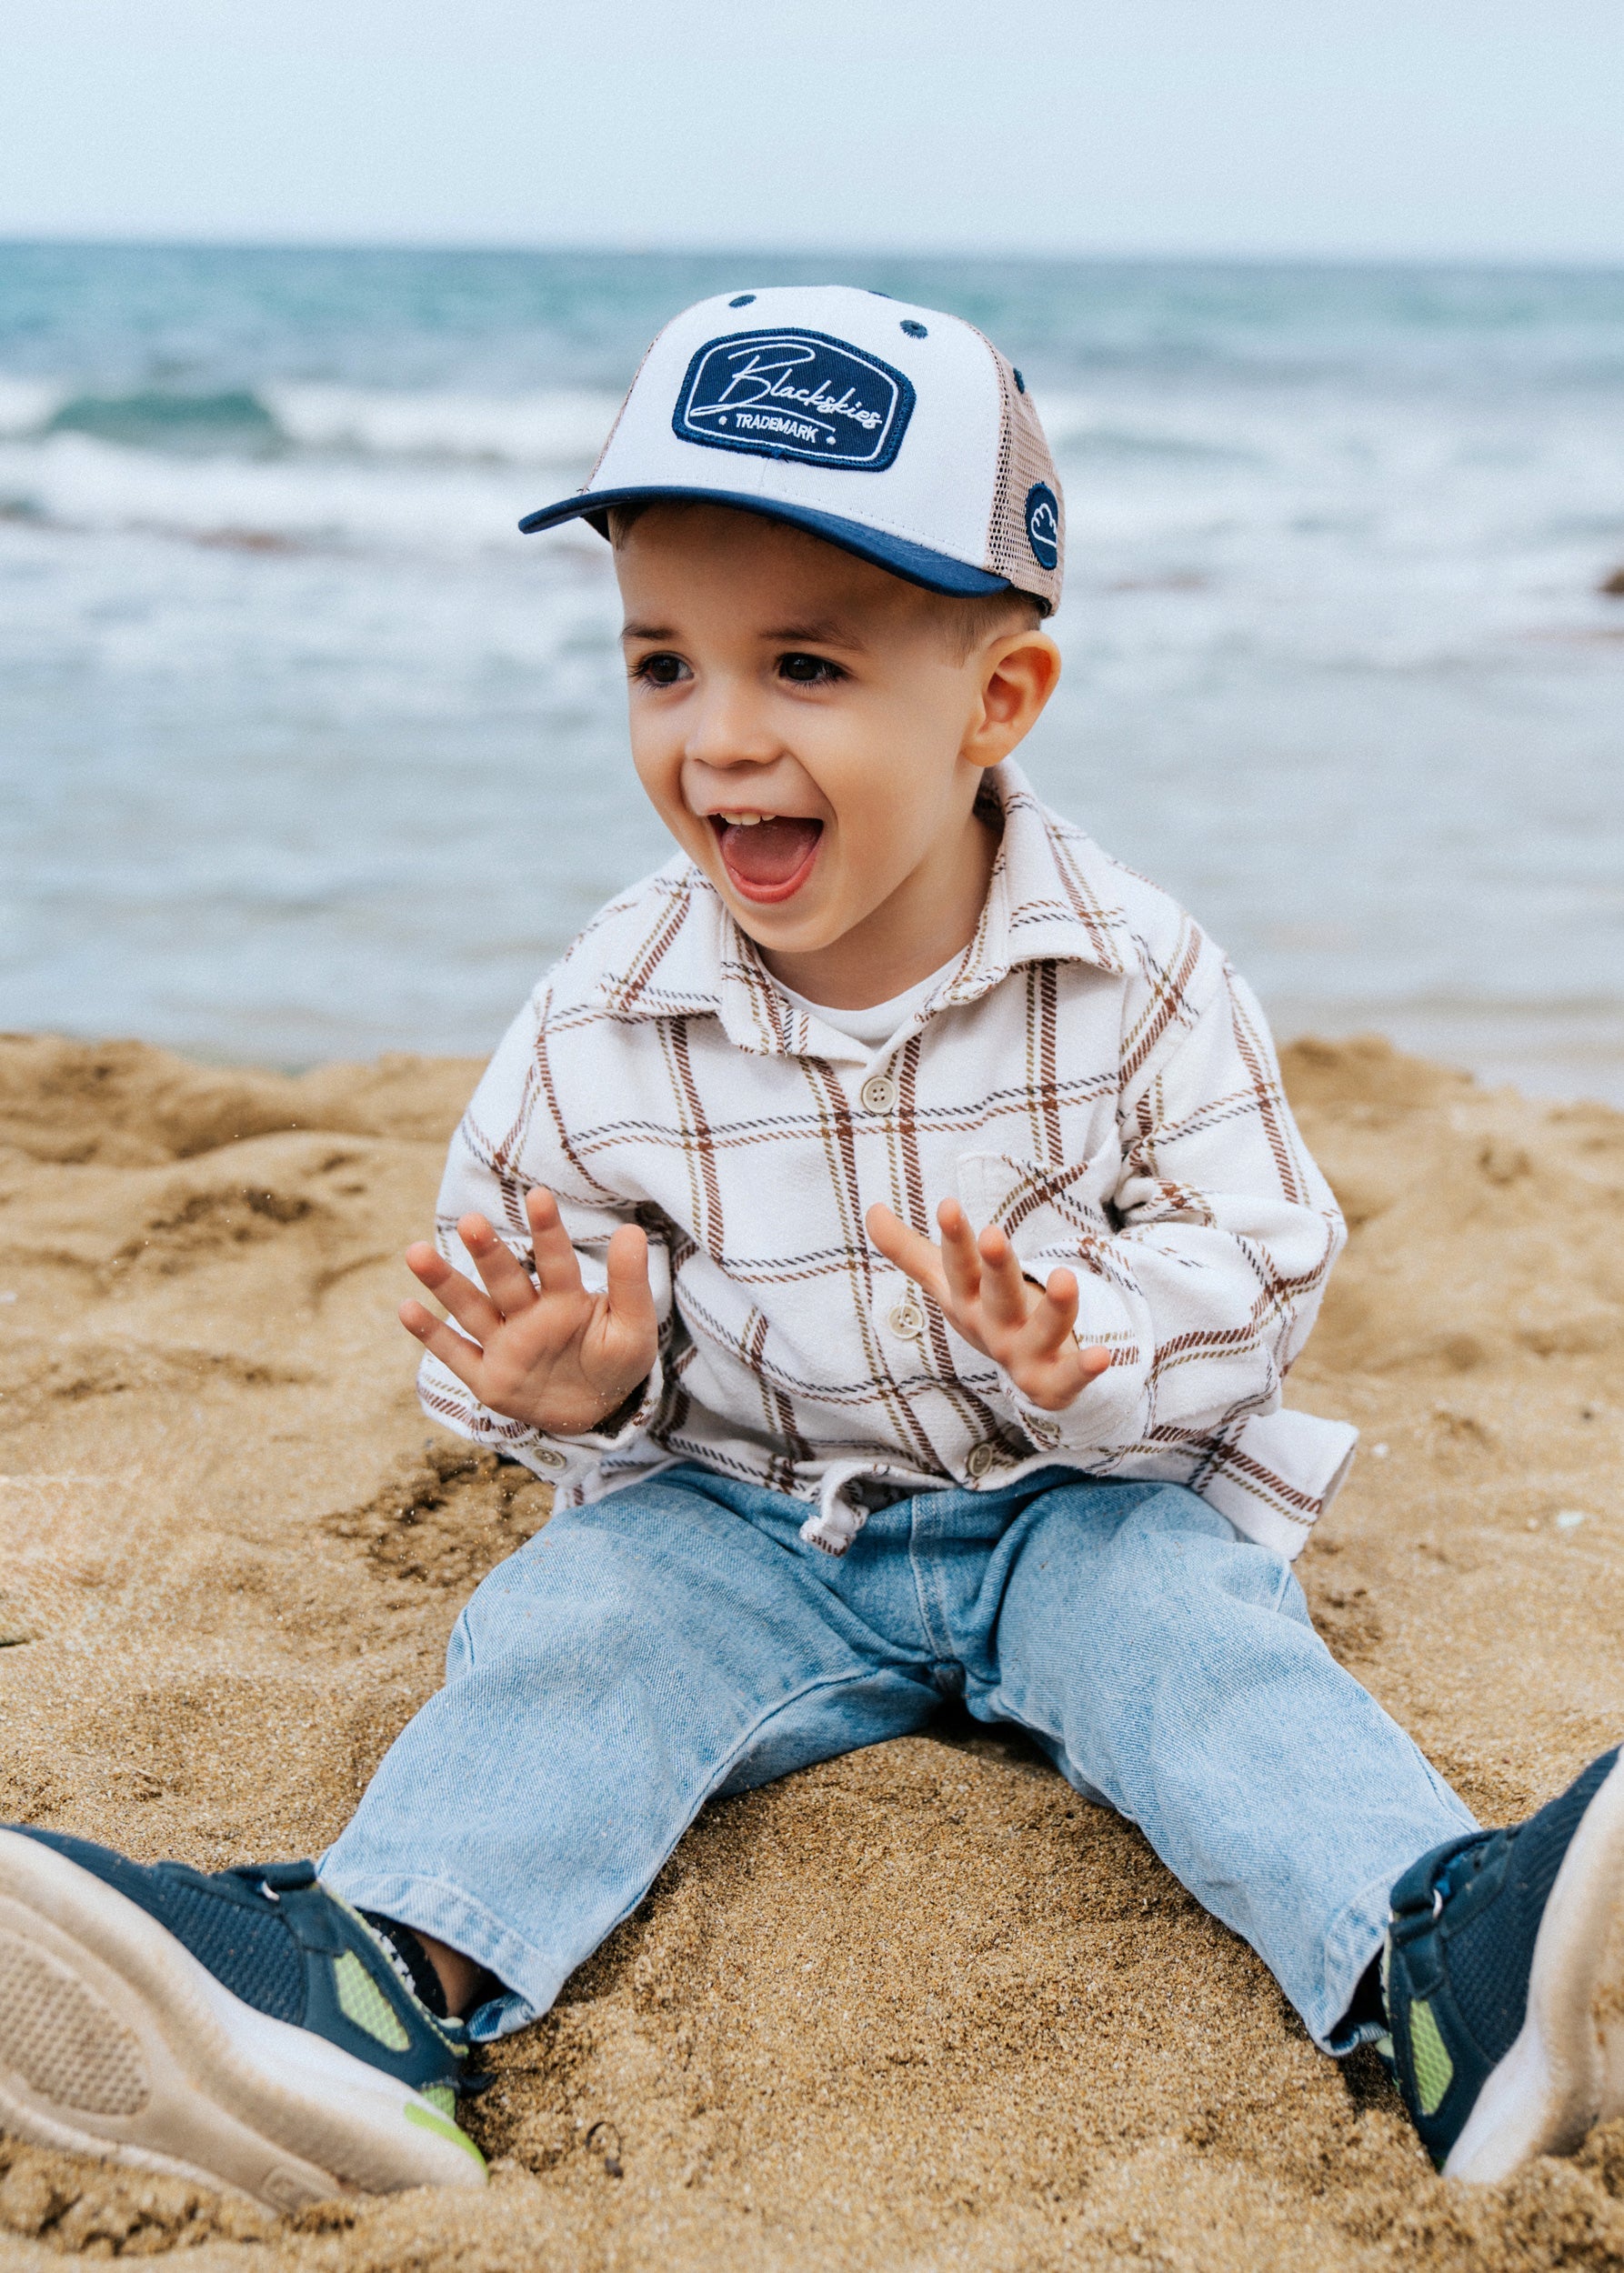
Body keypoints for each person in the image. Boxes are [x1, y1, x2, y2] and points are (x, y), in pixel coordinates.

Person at [1, 287, 1619, 2213]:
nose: (719, 738)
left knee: (1207, 1654)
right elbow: (514, 1283)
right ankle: (376, 1985)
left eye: (803, 666)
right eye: (660, 663)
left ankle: (1430, 1974)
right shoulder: (603, 1009)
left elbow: (1263, 1248)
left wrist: (1100, 1335)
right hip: (744, 1518)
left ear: (995, 701)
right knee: (573, 1636)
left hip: (1064, 1504)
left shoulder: (1135, 972)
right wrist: (565, 1387)